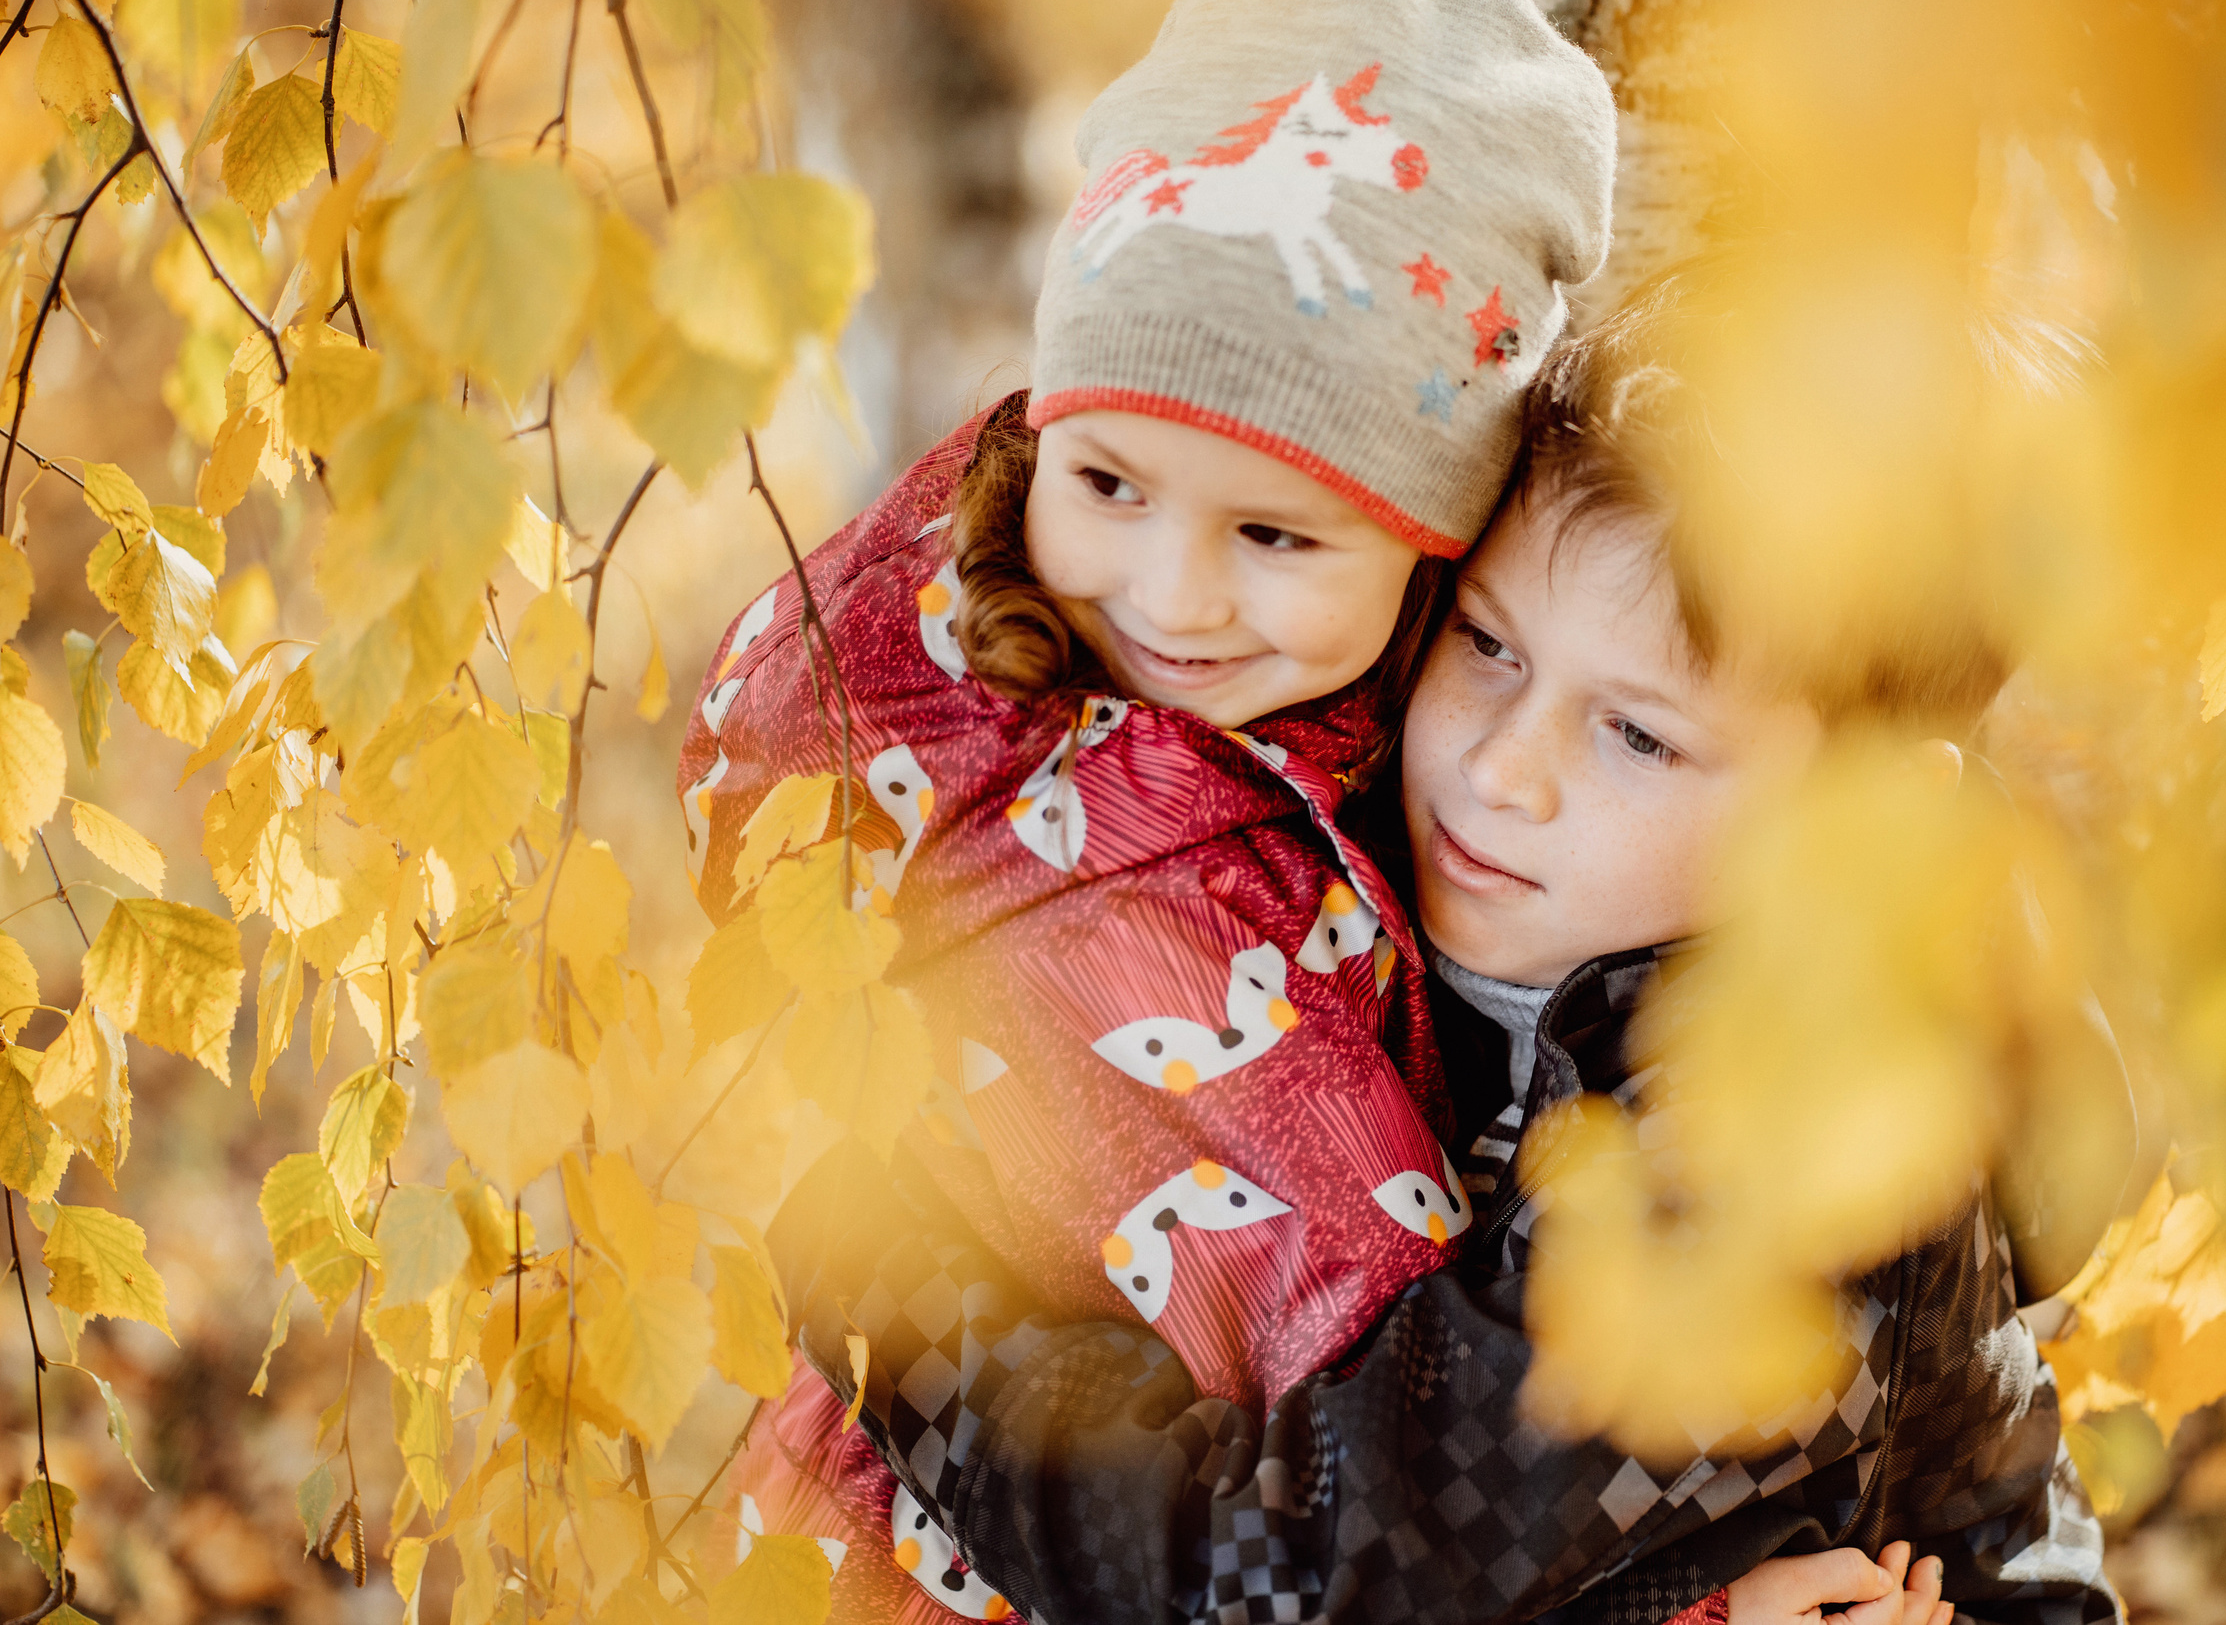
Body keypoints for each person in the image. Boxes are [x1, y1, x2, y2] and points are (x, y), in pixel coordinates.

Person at [793, 269, 2134, 1625]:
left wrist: (882, 1298)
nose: (1501, 769)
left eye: (1640, 736)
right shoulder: (1386, 834)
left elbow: (1288, 1579)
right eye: (1490, 643)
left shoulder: (1783, 1174)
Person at [679, 0, 1617, 1615]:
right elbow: (1375, 1394)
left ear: (1436, 540)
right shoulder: (1119, 859)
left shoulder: (1317, 733)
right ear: (1039, 431)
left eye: (1274, 533)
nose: (1173, 599)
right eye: (1108, 483)